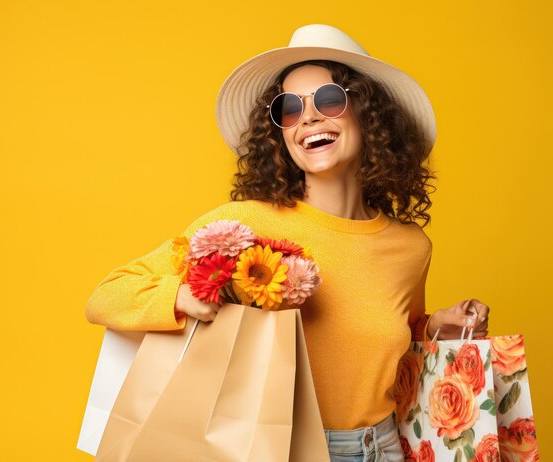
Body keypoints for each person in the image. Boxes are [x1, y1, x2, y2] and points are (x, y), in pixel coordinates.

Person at [86, 24, 490, 462]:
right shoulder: (244, 225)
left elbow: (381, 344)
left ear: (370, 116)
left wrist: (433, 329)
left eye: (330, 100)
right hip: (281, 449)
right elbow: (107, 295)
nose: (310, 118)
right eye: (289, 109)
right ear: (278, 133)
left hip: (384, 447)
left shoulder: (410, 248)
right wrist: (184, 298)